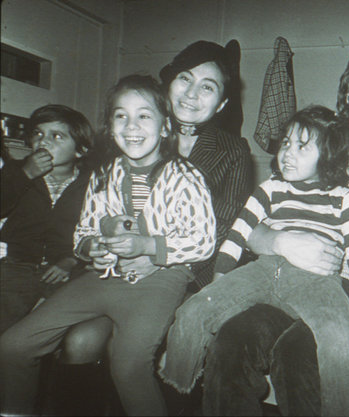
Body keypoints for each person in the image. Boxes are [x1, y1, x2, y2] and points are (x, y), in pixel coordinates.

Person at [193, 38, 349, 416]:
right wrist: (279, 240)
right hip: (281, 278)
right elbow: (249, 225)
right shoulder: (306, 147)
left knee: (301, 353)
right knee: (231, 343)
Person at [0, 74, 216, 416]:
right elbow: (83, 231)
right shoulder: (103, 174)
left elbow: (203, 242)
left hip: (159, 282)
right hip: (103, 277)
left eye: (144, 115)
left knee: (128, 366)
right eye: (120, 115)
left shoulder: (186, 176)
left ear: (164, 128)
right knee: (12, 346)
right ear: (110, 126)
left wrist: (148, 246)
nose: (131, 125)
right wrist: (91, 248)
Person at [160, 105, 349, 417]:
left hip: (316, 280)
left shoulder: (343, 197)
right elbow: (238, 233)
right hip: (263, 269)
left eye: (303, 146)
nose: (288, 152)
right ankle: (178, 375)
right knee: (195, 309)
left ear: (328, 154)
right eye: (286, 142)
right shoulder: (270, 188)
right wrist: (221, 278)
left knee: (344, 340)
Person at [58, 39, 254, 375]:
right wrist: (98, 249)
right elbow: (85, 216)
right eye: (185, 79)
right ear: (167, 85)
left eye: (207, 87)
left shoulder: (233, 150)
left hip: (190, 274)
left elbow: (224, 224)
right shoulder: (130, 134)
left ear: (221, 104)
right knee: (80, 342)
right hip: (115, 269)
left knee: (164, 350)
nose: (192, 94)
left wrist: (155, 257)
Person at [0, 104, 94, 334]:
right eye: (38, 133)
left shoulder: (92, 185)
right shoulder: (16, 171)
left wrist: (71, 260)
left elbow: (96, 230)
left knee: (70, 330)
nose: (44, 141)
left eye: (57, 136)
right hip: (16, 266)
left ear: (79, 150)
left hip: (65, 269)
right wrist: (26, 175)